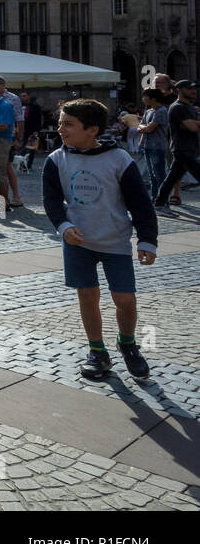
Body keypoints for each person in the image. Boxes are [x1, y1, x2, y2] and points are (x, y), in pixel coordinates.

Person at [42, 99, 157, 380]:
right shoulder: (56, 159)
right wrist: (63, 225)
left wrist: (147, 240)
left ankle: (127, 344)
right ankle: (97, 351)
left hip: (114, 241)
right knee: (87, 295)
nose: (61, 129)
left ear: (92, 130)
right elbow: (52, 200)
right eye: (60, 123)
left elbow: (140, 203)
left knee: (125, 298)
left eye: (68, 124)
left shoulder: (118, 159)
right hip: (77, 242)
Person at [153, 79, 200, 210]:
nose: (193, 91)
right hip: (182, 149)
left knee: (172, 178)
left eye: (194, 88)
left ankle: (159, 203)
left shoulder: (189, 107)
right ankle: (159, 203)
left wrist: (194, 122)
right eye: (189, 88)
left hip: (189, 148)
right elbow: (193, 127)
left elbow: (193, 124)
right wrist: (194, 123)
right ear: (178, 90)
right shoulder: (177, 107)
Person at [0, 76, 25, 200]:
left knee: (7, 165)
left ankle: (14, 196)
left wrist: (19, 138)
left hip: (7, 137)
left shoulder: (13, 98)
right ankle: (4, 198)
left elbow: (19, 119)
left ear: (3, 85)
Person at [136, 88, 169, 206]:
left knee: (159, 174)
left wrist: (143, 128)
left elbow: (149, 128)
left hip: (157, 146)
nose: (143, 99)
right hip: (146, 146)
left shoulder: (161, 110)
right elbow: (139, 126)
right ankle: (154, 198)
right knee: (151, 175)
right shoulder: (149, 111)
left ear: (153, 98)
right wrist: (143, 128)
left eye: (145, 96)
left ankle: (163, 200)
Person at [19, 91, 43, 169]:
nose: (22, 97)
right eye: (21, 96)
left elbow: (39, 120)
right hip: (23, 130)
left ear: (29, 96)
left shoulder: (36, 107)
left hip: (33, 130)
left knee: (31, 149)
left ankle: (29, 165)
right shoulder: (19, 106)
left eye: (24, 95)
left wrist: (37, 130)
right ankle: (22, 165)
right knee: (23, 148)